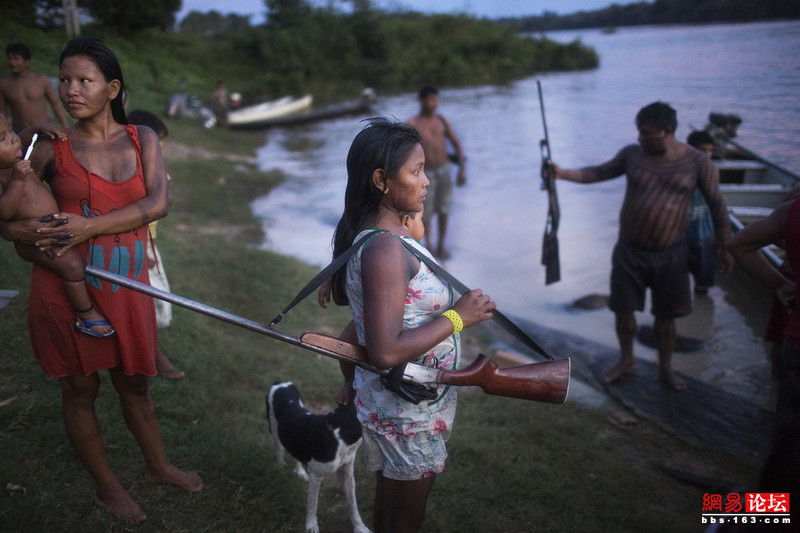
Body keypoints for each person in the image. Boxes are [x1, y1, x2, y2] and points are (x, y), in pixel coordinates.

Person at [0, 36, 202, 524]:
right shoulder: (48, 147)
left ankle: (157, 467)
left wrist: (86, 225)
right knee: (80, 391)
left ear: (111, 88)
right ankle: (106, 488)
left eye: (83, 80)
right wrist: (27, 230)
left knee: (135, 385)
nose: (69, 89)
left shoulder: (142, 139)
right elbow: (9, 209)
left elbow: (158, 204)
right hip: (66, 289)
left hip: (128, 286)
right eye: (64, 79)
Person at [329, 118, 495, 532]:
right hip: (407, 411)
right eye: (415, 172)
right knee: (405, 520)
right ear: (382, 180)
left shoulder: (376, 239)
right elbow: (385, 350)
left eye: (424, 170)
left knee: (393, 512)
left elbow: (359, 327)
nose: (425, 182)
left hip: (403, 402)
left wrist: (350, 378)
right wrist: (460, 316)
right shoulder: (385, 249)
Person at [551, 102, 733, 391]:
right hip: (629, 252)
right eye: (638, 131)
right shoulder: (632, 155)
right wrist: (561, 173)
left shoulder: (698, 162)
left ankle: (666, 370)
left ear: (666, 131)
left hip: (671, 254)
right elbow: (597, 173)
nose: (639, 138)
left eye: (645, 132)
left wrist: (726, 248)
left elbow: (718, 206)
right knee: (623, 311)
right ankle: (626, 360)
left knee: (666, 318)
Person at [0, 114, 113, 337]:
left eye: (10, 131)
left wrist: (35, 127)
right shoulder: (6, 175)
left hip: (49, 227)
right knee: (72, 266)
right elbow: (4, 212)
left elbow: (20, 140)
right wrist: (18, 181)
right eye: (2, 138)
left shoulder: (11, 158)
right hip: (34, 239)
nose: (14, 139)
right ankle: (86, 314)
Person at [319, 209, 425, 407]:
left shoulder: (414, 249)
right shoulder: (389, 246)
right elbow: (346, 255)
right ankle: (350, 381)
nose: (423, 226)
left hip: (405, 315)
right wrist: (330, 278)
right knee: (347, 341)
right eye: (420, 219)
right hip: (380, 309)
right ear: (405, 222)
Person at [728, 198, 799, 421]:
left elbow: (739, 244)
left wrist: (781, 284)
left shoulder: (793, 210)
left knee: (789, 428)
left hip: (797, 341)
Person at [126, 109, 184, 379]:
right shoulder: (133, 165)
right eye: (157, 139)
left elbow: (166, 200)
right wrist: (142, 252)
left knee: (153, 301)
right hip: (137, 242)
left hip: (148, 241)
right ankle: (154, 356)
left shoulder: (150, 161)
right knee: (148, 301)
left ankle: (150, 352)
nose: (160, 145)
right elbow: (161, 203)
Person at [407, 86, 465, 260]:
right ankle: (429, 245)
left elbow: (456, 144)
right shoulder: (412, 124)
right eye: (430, 99)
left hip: (445, 169)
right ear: (422, 101)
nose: (433, 103)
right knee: (426, 211)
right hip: (425, 174)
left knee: (445, 208)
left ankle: (441, 245)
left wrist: (462, 169)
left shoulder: (442, 121)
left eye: (436, 100)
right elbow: (402, 152)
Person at [1, 42, 69, 131]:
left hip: (44, 131)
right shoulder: (4, 84)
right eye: (9, 58)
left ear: (27, 62)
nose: (12, 62)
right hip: (20, 132)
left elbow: (55, 104)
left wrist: (66, 126)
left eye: (16, 59)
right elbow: (2, 112)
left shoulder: (41, 80)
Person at [685, 130, 718, 294]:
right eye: (702, 150)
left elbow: (716, 203)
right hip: (682, 233)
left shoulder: (713, 171)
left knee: (702, 281)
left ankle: (701, 302)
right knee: (677, 280)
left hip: (704, 232)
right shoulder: (680, 171)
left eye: (709, 151)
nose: (707, 155)